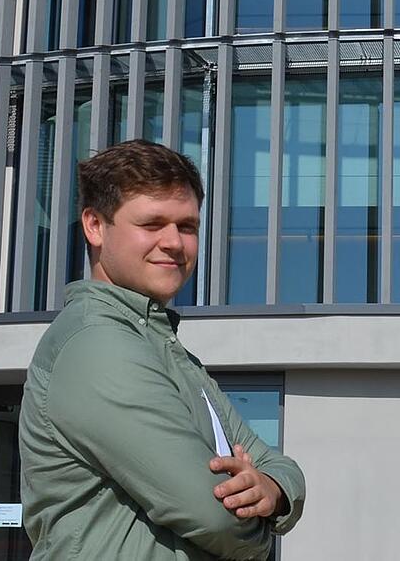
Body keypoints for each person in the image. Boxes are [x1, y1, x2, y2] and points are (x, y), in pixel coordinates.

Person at [19, 140, 305, 559]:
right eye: (152, 224)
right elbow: (214, 516)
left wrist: (274, 490)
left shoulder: (166, 349)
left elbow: (277, 465)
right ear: (94, 226)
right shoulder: (97, 345)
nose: (174, 242)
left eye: (187, 226)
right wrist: (264, 531)